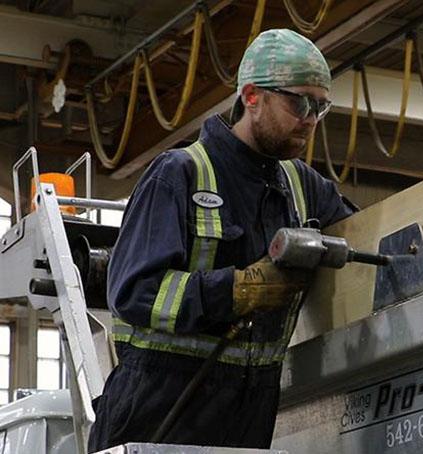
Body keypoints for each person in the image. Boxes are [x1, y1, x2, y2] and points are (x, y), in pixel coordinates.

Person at [88, 29, 356, 451]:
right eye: (299, 102)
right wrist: (238, 289)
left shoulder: (306, 187)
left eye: (321, 107)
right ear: (252, 97)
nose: (310, 119)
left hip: (250, 411)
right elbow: (134, 293)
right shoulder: (179, 174)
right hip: (159, 408)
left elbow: (369, 237)